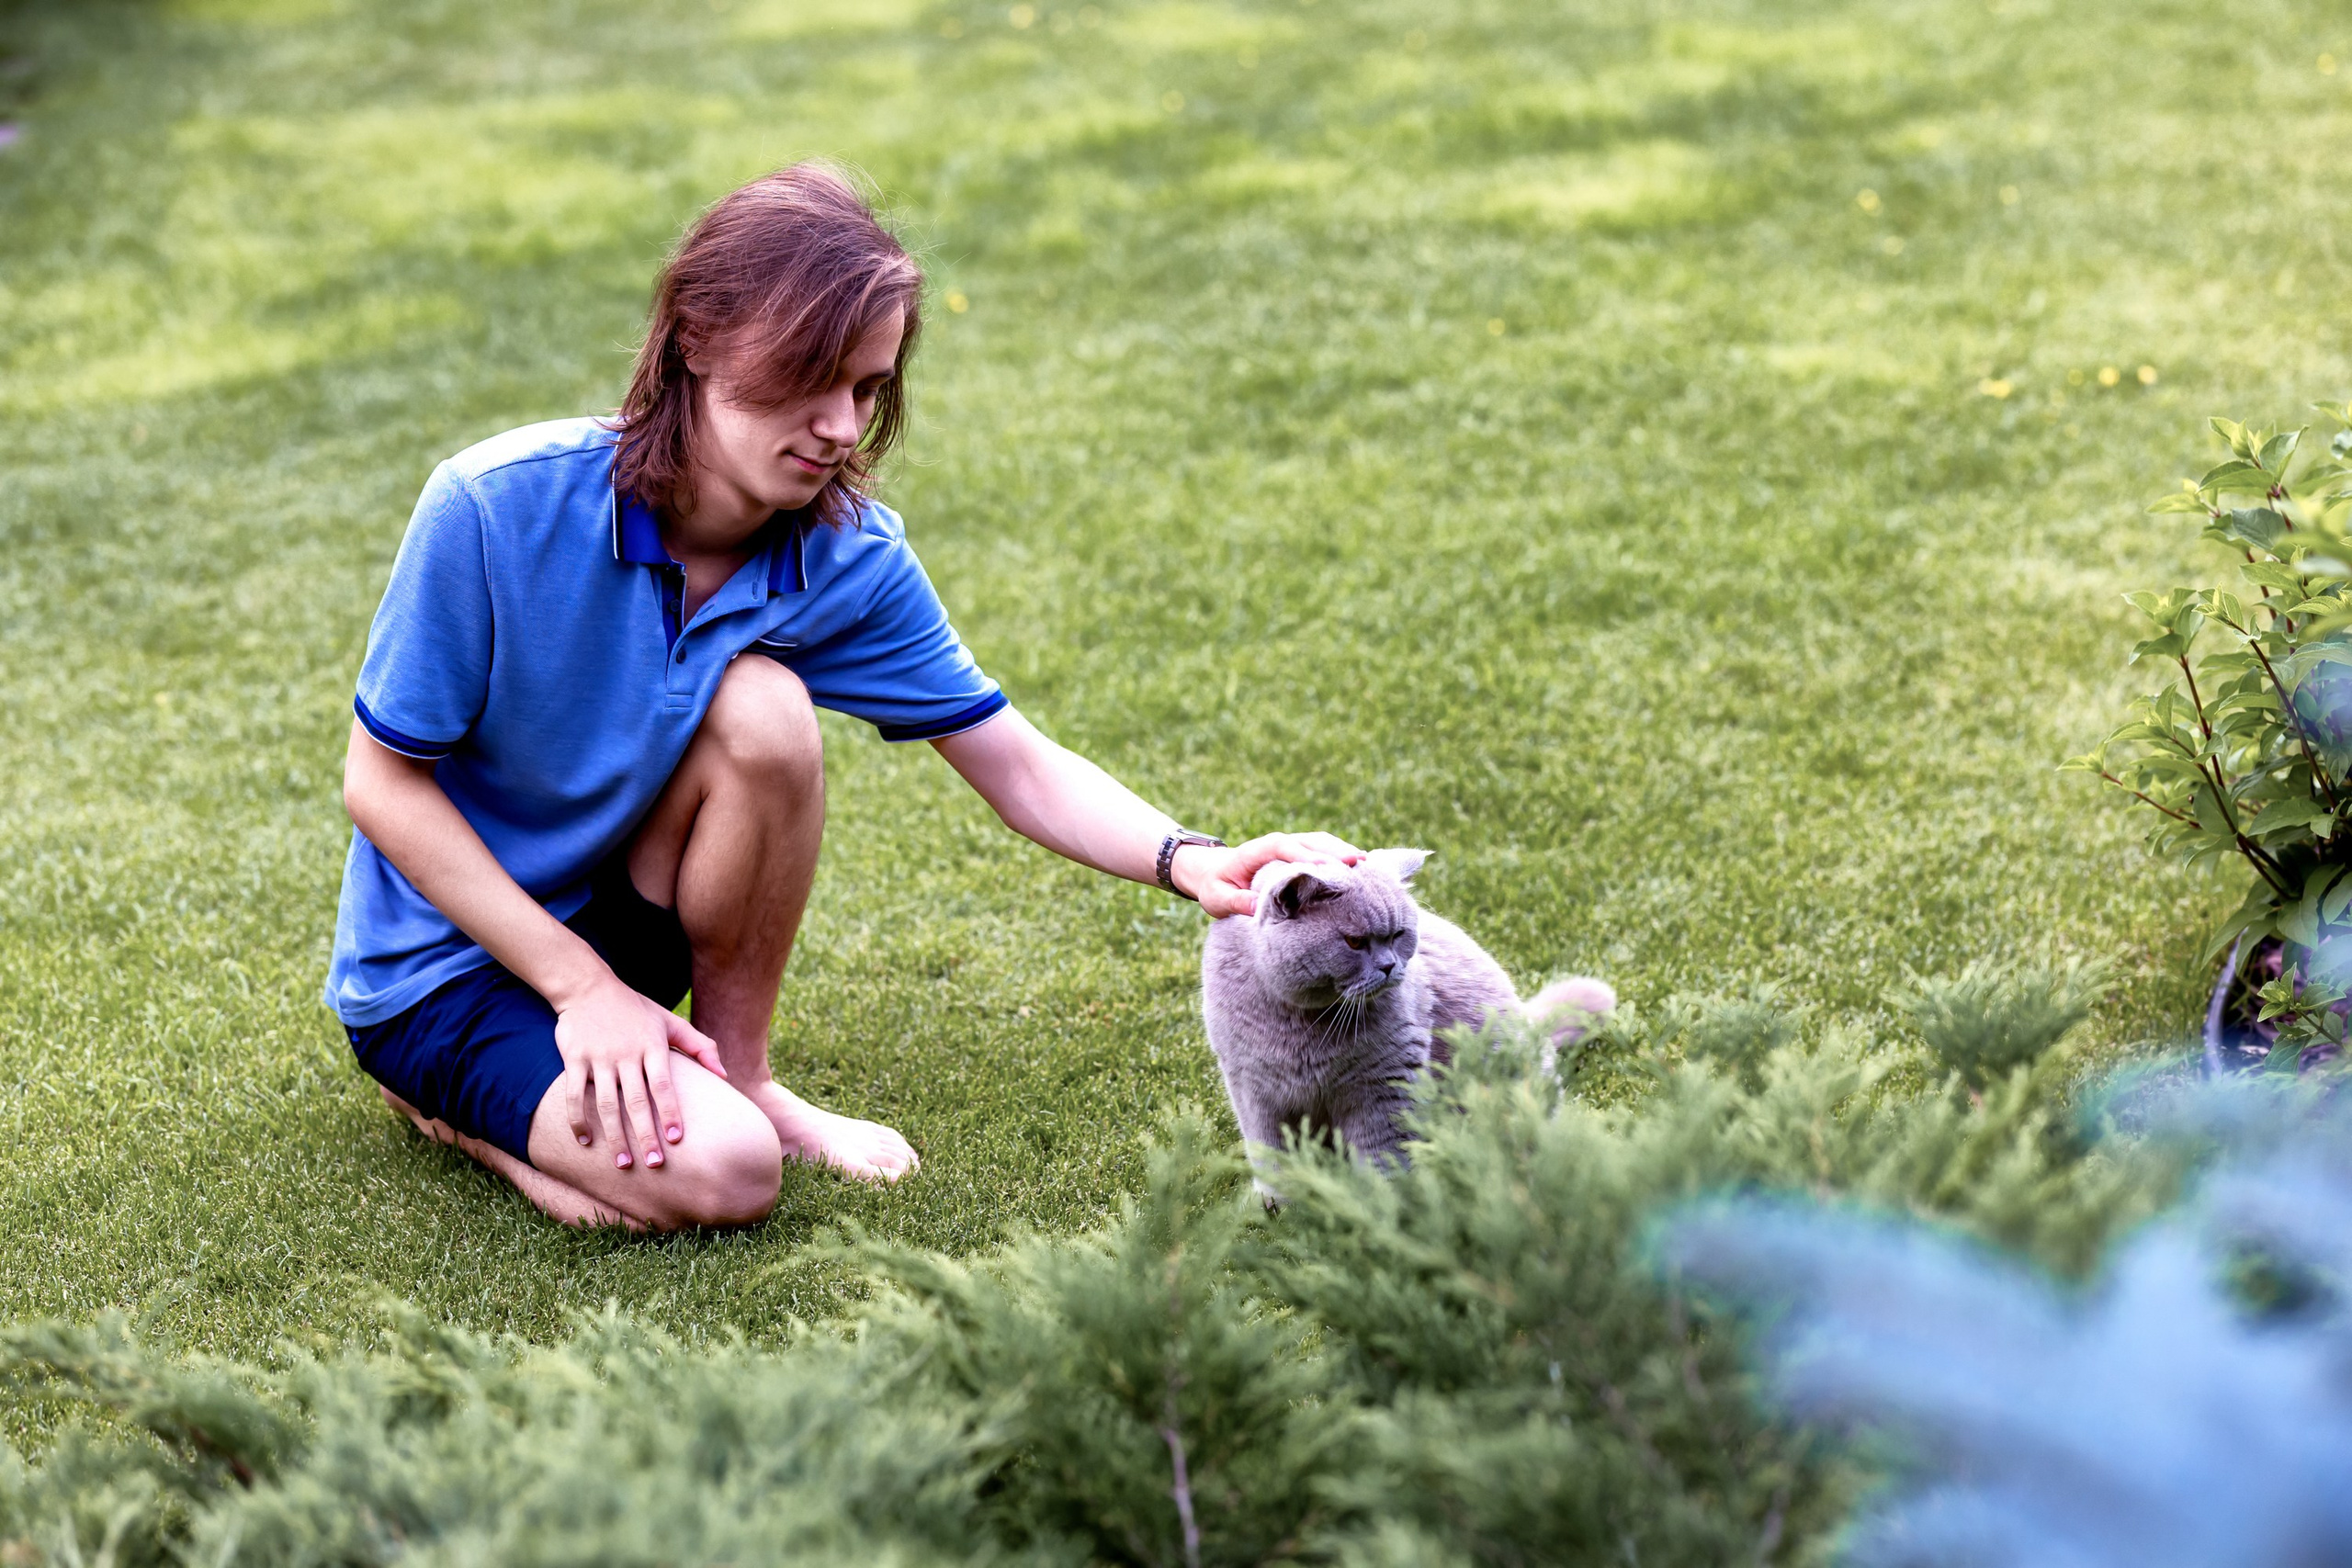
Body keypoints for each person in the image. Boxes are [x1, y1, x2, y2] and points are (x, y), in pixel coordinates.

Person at [329, 163, 1361, 1230]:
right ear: (696, 340)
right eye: (807, 374)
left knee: (765, 710)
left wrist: (1194, 860)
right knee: (725, 1179)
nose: (838, 426)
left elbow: (1011, 759)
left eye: (865, 387)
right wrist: (581, 990)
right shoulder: (494, 508)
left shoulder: (844, 553)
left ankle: (746, 1078)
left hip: (616, 918)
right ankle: (443, 1103)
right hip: (445, 965)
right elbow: (381, 784)